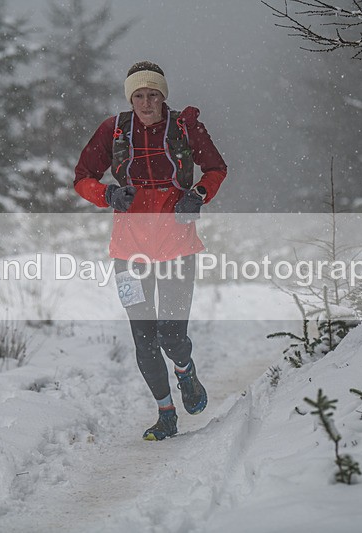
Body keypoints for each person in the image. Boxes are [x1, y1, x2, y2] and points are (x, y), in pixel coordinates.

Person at [73, 61, 228, 440]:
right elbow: (82, 178)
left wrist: (198, 195)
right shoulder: (114, 130)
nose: (146, 102)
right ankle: (166, 413)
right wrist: (107, 193)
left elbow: (216, 169)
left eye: (153, 94)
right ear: (130, 97)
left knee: (171, 335)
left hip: (177, 246)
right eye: (139, 95)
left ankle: (185, 371)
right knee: (143, 337)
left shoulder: (185, 127)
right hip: (129, 252)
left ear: (163, 96)